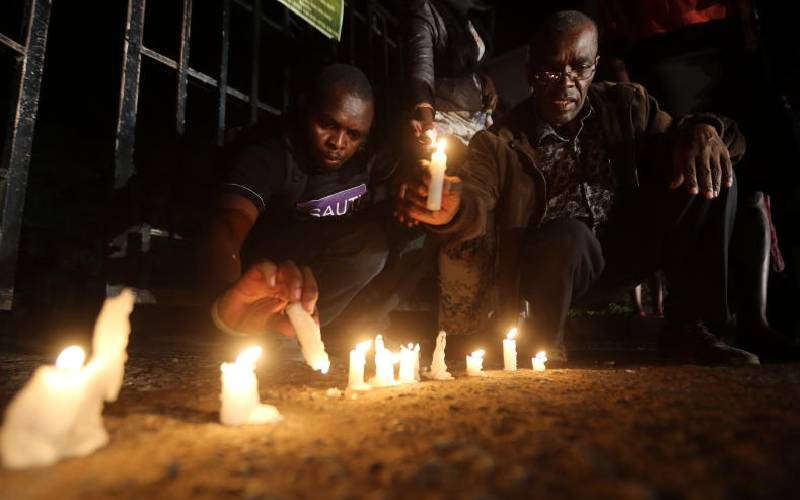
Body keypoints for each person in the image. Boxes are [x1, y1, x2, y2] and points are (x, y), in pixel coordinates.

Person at [396, 9, 761, 365]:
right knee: (569, 235)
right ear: (530, 71)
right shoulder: (499, 142)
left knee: (710, 171)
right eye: (551, 70)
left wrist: (705, 130)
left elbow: (696, 136)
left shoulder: (625, 105)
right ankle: (544, 345)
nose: (566, 83)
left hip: (626, 249)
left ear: (595, 66)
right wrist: (453, 207)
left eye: (579, 68)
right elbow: (475, 193)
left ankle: (691, 329)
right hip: (557, 268)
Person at [200, 64, 428, 339]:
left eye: (353, 134)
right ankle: (288, 334)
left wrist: (414, 192)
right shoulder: (272, 152)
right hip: (277, 274)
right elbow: (229, 223)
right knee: (368, 247)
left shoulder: (368, 155)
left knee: (420, 225)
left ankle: (359, 329)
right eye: (328, 125)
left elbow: (402, 179)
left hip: (333, 270)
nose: (338, 142)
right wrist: (226, 297)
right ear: (305, 108)